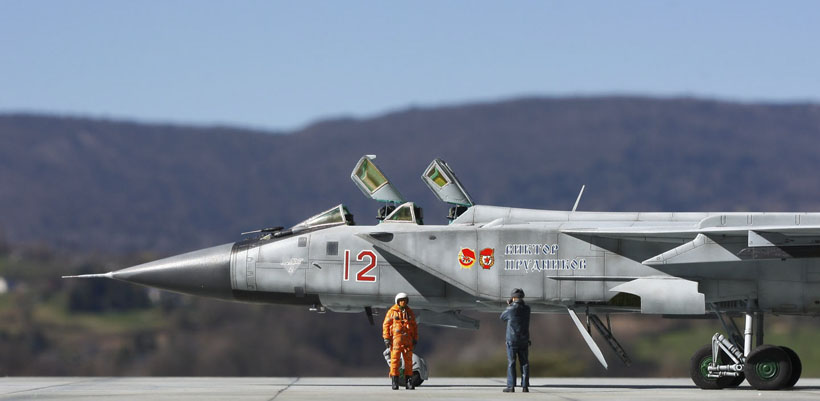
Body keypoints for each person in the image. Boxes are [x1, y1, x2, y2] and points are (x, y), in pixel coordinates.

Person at [383, 292, 418, 390]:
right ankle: (395, 381)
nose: (403, 302)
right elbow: (386, 325)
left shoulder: (409, 313)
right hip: (396, 341)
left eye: (405, 301)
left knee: (409, 362)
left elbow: (414, 326)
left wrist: (415, 338)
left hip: (408, 340)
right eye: (401, 301)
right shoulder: (392, 312)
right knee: (395, 361)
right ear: (397, 302)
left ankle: (409, 382)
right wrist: (386, 338)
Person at [500, 288, 531, 393]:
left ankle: (511, 386)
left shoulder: (510, 309)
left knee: (511, 363)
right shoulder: (527, 309)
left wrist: (509, 305)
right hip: (524, 339)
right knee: (524, 363)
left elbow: (502, 317)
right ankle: (525, 386)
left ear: (513, 298)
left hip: (512, 340)